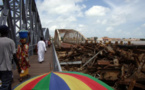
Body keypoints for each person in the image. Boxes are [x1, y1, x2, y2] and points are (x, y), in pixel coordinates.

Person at [0, 25, 21, 90]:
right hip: (6, 68)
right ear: (7, 32)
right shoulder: (10, 41)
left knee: (8, 85)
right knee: (5, 85)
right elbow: (14, 56)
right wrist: (18, 66)